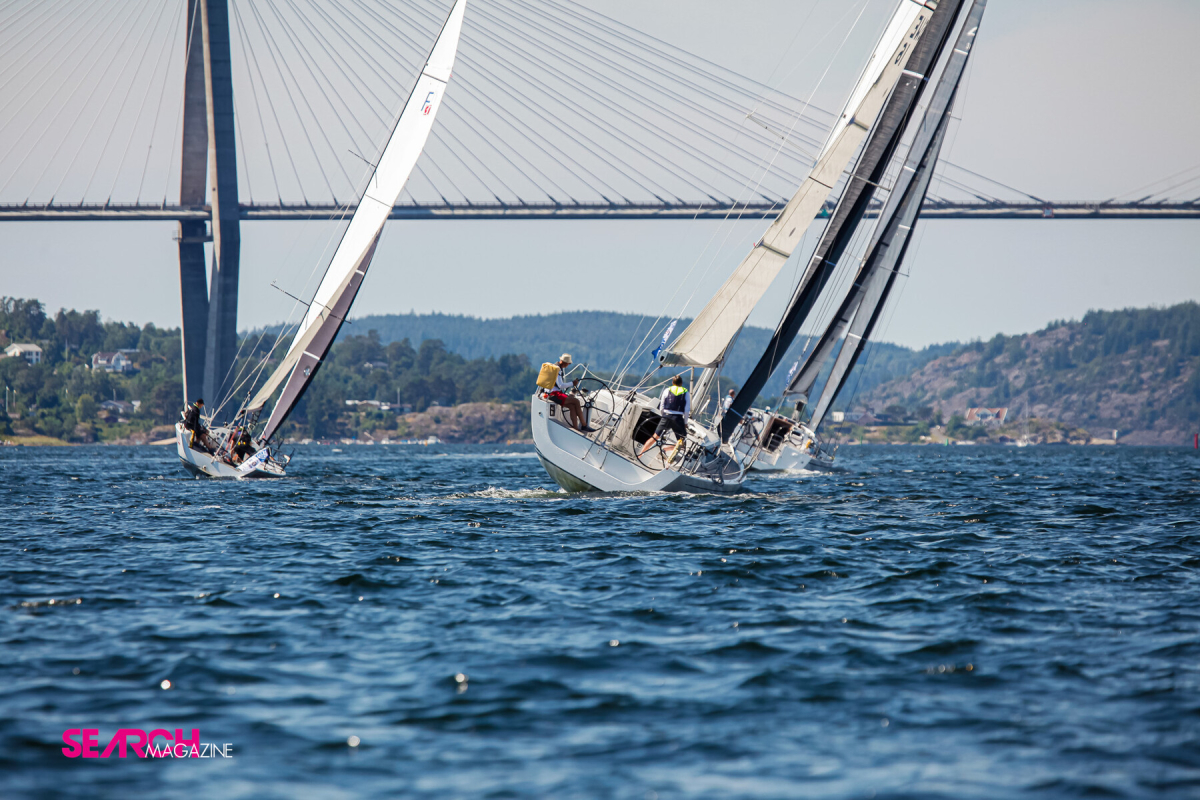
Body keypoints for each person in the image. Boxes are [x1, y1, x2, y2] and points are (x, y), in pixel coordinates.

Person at [639, 375, 690, 462]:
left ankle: (640, 455)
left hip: (666, 416)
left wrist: (664, 415)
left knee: (654, 437)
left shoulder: (667, 390)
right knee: (682, 443)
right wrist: (685, 423)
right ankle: (665, 449)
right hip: (677, 418)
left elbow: (661, 406)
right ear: (681, 383)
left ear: (672, 383)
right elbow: (687, 410)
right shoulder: (686, 392)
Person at [546, 353, 587, 432]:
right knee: (576, 401)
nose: (568, 365)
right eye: (568, 363)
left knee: (572, 406)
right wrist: (572, 383)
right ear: (564, 362)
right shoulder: (558, 369)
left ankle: (575, 428)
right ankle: (584, 425)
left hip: (553, 393)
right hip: (554, 394)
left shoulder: (556, 367)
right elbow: (560, 385)